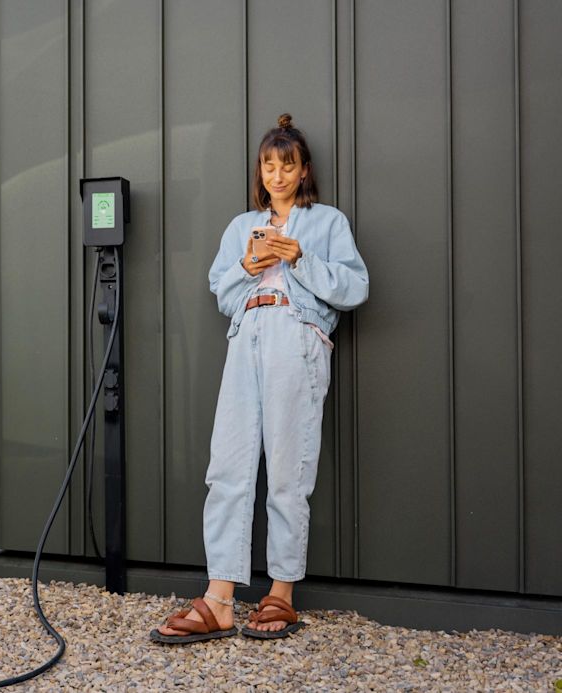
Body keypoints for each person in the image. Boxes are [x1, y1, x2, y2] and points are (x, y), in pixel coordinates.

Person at [151, 113, 369, 643]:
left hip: (296, 337)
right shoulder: (239, 226)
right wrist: (249, 265)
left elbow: (355, 288)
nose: (276, 175)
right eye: (267, 165)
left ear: (302, 170)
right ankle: (220, 597)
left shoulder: (327, 222)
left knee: (290, 469)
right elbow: (221, 294)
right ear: (260, 171)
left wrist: (299, 258)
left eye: (286, 165)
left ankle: (280, 593)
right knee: (227, 465)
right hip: (246, 337)